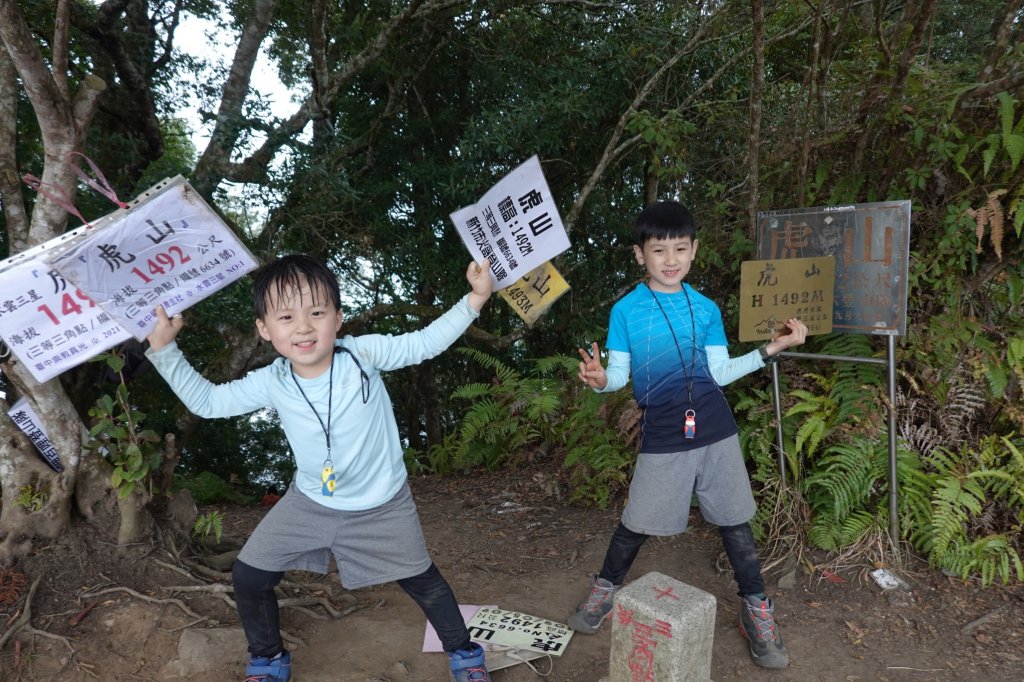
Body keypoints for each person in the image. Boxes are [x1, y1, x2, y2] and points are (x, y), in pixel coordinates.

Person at [146, 254, 494, 682]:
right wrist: (164, 349)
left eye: (317, 312)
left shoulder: (363, 356)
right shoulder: (273, 380)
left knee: (423, 581)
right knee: (250, 575)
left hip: (383, 503)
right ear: (264, 329)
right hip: (310, 502)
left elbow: (425, 342)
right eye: (286, 316)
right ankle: (268, 658)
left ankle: (464, 653)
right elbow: (208, 402)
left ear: (338, 318)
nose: (304, 327)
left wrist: (475, 299)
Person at [569, 201, 807, 670]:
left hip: (715, 429)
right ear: (641, 256)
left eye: (680, 248)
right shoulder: (626, 311)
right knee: (636, 520)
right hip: (662, 433)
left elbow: (719, 372)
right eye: (659, 250)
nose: (670, 258)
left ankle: (757, 609)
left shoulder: (706, 309)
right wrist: (600, 380)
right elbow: (618, 374)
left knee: (735, 521)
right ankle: (606, 590)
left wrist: (770, 349)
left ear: (694, 250)